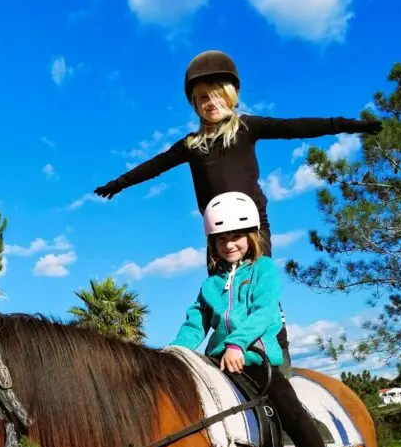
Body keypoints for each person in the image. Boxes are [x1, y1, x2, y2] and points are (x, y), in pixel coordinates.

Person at [95, 50, 381, 366]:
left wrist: (346, 124)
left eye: (217, 96)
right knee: (220, 295)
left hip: (251, 228)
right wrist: (118, 183)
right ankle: (212, 352)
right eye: (202, 98)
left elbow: (295, 127)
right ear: (194, 104)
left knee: (258, 290)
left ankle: (277, 353)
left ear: (231, 96)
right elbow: (155, 165)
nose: (210, 103)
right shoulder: (191, 145)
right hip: (217, 233)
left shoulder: (246, 127)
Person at [171, 191, 351, 447]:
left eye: (236, 236)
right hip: (217, 362)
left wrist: (238, 343)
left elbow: (266, 313)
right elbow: (195, 324)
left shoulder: (264, 271)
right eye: (221, 238)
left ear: (251, 236)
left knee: (295, 416)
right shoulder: (209, 284)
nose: (229, 244)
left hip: (256, 360)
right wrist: (175, 354)